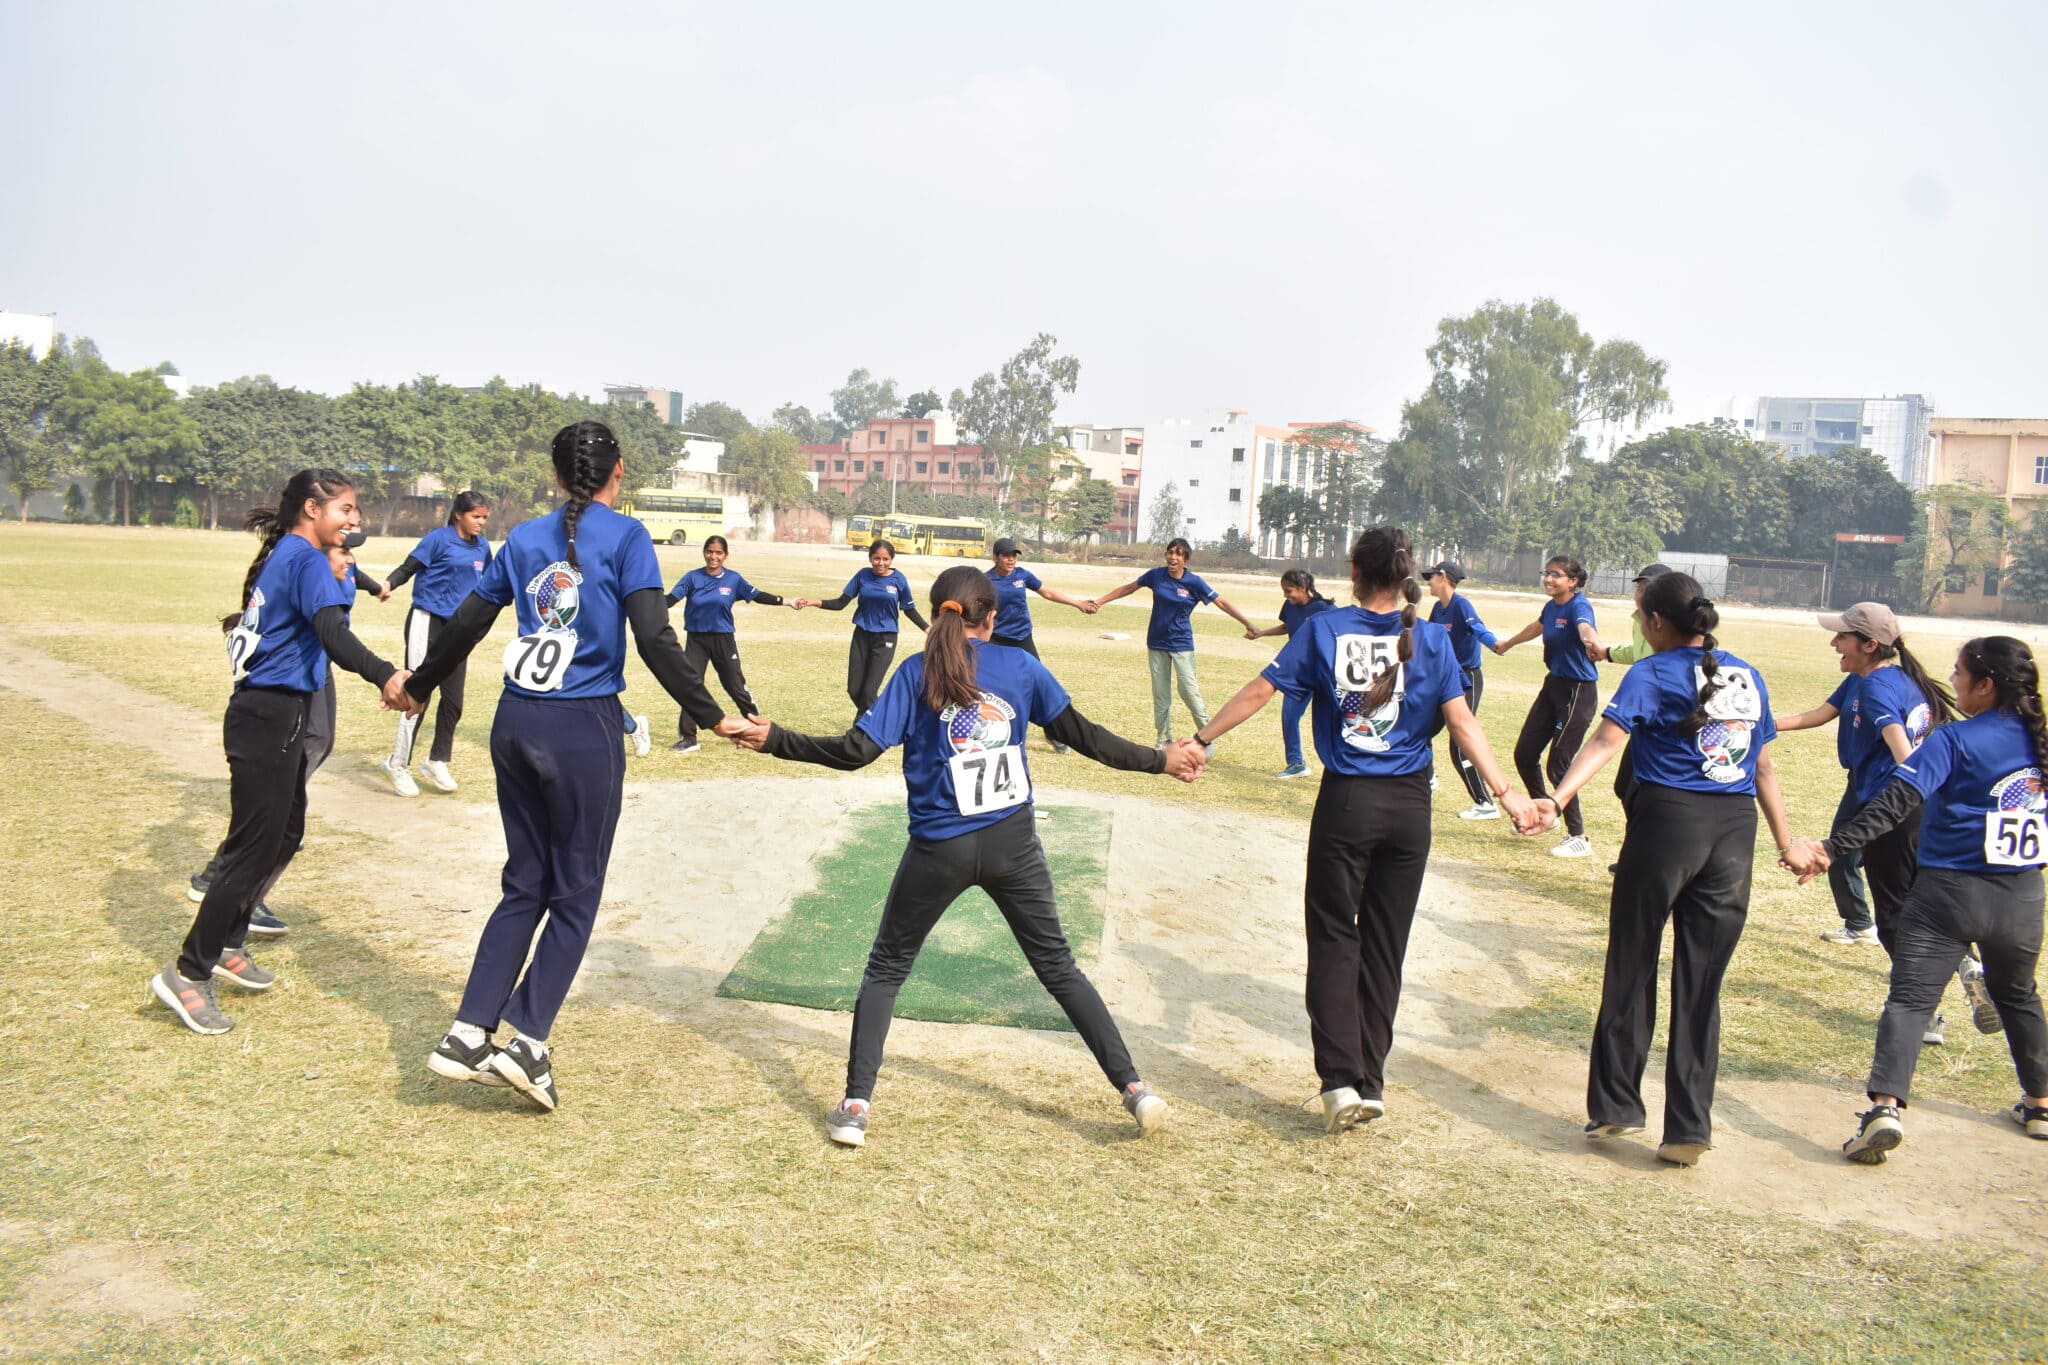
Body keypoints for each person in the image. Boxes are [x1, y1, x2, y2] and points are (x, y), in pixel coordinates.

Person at [718, 565, 1199, 1148]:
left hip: (938, 849)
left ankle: (854, 1107)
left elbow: (853, 752)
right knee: (1059, 969)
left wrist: (776, 740)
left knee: (887, 970)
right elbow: (1087, 737)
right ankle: (1135, 1089)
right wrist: (1160, 759)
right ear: (991, 618)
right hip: (1012, 847)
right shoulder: (1020, 667)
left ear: (939, 612)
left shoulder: (916, 671)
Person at [403, 421, 731, 1111]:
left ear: (557, 479)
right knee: (575, 891)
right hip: (582, 728)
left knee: (526, 883)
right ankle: (526, 1042)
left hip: (515, 722)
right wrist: (711, 713)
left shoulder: (522, 538)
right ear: (619, 474)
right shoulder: (629, 537)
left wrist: (421, 681)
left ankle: (468, 1031)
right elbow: (653, 637)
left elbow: (465, 621)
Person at [1190, 527, 1533, 1133]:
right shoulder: (1429, 637)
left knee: (1332, 939)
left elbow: (1259, 691)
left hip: (1348, 803)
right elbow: (1463, 724)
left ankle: (1341, 1081)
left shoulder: (1324, 629)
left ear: (1353, 569)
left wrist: (1199, 741)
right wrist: (1509, 795)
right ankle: (1370, 1079)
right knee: (1384, 947)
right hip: (1410, 811)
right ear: (1404, 575)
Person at [1517, 573, 1791, 1167]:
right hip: (1734, 835)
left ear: (1658, 623)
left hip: (1669, 824)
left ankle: (1618, 1106)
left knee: (1633, 960)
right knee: (1702, 983)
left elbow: (1605, 742)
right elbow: (1763, 768)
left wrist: (1556, 799)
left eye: (1641, 618)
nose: (1640, 627)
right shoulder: (1746, 673)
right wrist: (1787, 843)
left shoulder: (1651, 670)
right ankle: (1689, 1128)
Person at [152, 471, 412, 1036]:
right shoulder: (302, 559)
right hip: (267, 717)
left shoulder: (302, 556)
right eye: (345, 509)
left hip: (282, 715)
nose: (354, 520)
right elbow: (333, 635)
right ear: (312, 509)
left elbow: (324, 624)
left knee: (283, 835)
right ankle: (188, 973)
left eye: (356, 512)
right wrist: (387, 675)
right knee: (251, 848)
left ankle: (227, 942)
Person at [1782, 636, 2048, 1163]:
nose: (1953, 680)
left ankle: (1883, 1110)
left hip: (1947, 895)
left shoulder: (1953, 740)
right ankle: (2040, 1103)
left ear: (1986, 685)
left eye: (1960, 672)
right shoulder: (2039, 743)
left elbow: (1896, 801)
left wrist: (1832, 848)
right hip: (2022, 900)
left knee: (1909, 1002)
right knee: (2018, 995)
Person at [1772, 602, 1981, 1042]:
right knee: (1925, 900)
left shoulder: (1878, 689)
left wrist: (1912, 793)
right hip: (1898, 802)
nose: (1834, 643)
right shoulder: (1873, 678)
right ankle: (1965, 964)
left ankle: (1924, 1012)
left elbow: (1904, 753)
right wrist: (1765, 726)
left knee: (1896, 915)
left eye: (1842, 637)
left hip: (1894, 807)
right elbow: (1821, 714)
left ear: (1870, 645)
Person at [185, 531, 387, 936]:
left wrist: (377, 586)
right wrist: (385, 675)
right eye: (344, 549)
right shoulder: (307, 567)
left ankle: (235, 874)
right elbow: (332, 633)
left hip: (313, 667)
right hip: (294, 677)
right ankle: (240, 887)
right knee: (282, 800)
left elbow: (355, 578)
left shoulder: (334, 567)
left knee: (314, 751)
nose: (350, 559)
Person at [1087, 537, 1262, 748]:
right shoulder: (1156, 576)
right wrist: (1100, 601)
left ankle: (1207, 738)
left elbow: (1221, 602)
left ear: (1185, 559)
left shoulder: (1194, 582)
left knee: (1188, 691)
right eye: (1170, 553)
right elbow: (1128, 588)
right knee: (1161, 695)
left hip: (1181, 645)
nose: (1173, 557)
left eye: (1178, 554)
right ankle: (1163, 740)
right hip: (1157, 643)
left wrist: (1248, 623)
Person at [379, 491, 493, 796]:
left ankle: (437, 759)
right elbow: (409, 567)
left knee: (454, 700)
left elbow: (490, 585)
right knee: (416, 695)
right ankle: (397, 763)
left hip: (458, 631)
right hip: (427, 621)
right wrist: (389, 583)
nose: (481, 522)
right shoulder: (438, 539)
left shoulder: (483, 546)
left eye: (484, 517)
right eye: (475, 516)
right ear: (459, 514)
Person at [1493, 554, 1604, 857]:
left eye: (1556, 575)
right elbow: (1537, 627)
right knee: (1525, 753)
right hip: (1553, 685)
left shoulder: (1579, 605)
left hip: (1578, 691)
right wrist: (1509, 643)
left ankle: (1578, 835)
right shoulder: (1551, 606)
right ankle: (1544, 811)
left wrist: (1592, 642)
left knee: (1559, 763)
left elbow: (1584, 627)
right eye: (1547, 573)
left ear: (1573, 581)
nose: (1549, 579)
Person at [663, 534, 798, 753]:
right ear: (704, 552)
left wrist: (786, 601)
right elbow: (670, 599)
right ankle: (689, 737)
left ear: (725, 555)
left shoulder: (733, 580)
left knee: (735, 686)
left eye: (718, 553)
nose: (713, 556)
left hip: (723, 640)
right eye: (709, 551)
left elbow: (757, 595)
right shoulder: (692, 577)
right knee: (689, 686)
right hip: (696, 640)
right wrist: (644, 603)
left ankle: (756, 727)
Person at [984, 536, 1098, 754]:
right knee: (995, 688)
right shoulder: (985, 581)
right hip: (996, 639)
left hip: (1022, 638)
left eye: (1014, 556)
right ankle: (993, 731)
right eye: (1006, 556)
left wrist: (1077, 603)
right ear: (995, 557)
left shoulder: (1022, 575)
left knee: (1038, 685)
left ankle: (1054, 734)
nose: (1011, 560)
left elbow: (1046, 592)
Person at [807, 538, 929, 719]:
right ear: (870, 558)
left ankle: (863, 730)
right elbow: (840, 603)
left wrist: (928, 629)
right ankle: (879, 718)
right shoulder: (862, 575)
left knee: (869, 691)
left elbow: (908, 609)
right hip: (862, 636)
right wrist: (813, 602)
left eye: (885, 559)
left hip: (885, 639)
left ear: (892, 559)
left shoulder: (898, 580)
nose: (881, 563)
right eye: (877, 558)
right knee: (854, 689)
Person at [1590, 562, 1671, 814]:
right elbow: (1639, 653)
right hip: (1644, 715)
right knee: (1624, 785)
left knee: (1638, 786)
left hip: (1663, 717)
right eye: (1640, 587)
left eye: (1649, 588)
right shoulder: (1642, 620)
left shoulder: (1670, 623)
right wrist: (1607, 653)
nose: (1641, 593)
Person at [1423, 560, 1497, 816]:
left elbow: (1478, 629)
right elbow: (1430, 638)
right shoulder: (1436, 608)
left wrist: (1495, 644)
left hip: (1468, 677)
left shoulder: (1461, 604)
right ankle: (1428, 778)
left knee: (1459, 743)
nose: (1428, 582)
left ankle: (1485, 803)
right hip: (1445, 677)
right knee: (1421, 730)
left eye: (1431, 577)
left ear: (1443, 577)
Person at [1250, 569, 1334, 779]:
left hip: (1324, 673)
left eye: (1289, 591)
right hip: (1299, 673)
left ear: (1303, 588)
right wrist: (1261, 633)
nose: (1286, 596)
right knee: (1289, 716)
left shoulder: (1324, 609)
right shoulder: (1289, 606)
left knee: (1333, 719)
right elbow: (1287, 626)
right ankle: (1296, 763)